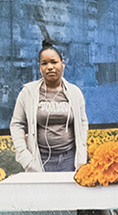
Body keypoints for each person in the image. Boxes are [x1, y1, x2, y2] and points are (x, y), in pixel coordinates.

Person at [7, 40, 88, 175]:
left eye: (54, 62)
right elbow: (17, 124)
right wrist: (25, 157)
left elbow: (83, 123)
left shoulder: (75, 92)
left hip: (70, 159)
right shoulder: (28, 93)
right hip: (39, 160)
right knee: (42, 196)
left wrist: (82, 154)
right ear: (40, 67)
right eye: (44, 63)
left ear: (62, 64)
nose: (49, 67)